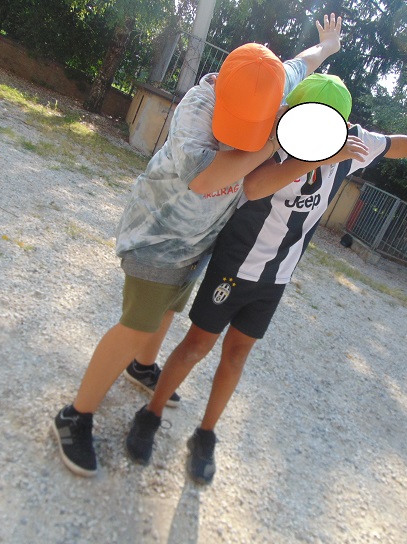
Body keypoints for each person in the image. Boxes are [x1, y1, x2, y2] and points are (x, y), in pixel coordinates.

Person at [125, 73, 407, 484]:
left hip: (276, 276)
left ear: (340, 123)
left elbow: (396, 143)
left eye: (326, 125)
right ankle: (151, 413)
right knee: (196, 346)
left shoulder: (352, 144)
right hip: (235, 264)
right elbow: (255, 186)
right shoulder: (276, 137)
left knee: (237, 355)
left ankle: (205, 434)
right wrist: (317, 157)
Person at [53, 15, 346, 477]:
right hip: (158, 236)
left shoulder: (273, 82)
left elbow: (301, 62)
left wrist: (327, 45)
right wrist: (274, 140)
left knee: (169, 310)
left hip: (197, 241)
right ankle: (75, 415)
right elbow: (209, 179)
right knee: (136, 325)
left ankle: (142, 367)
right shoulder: (196, 112)